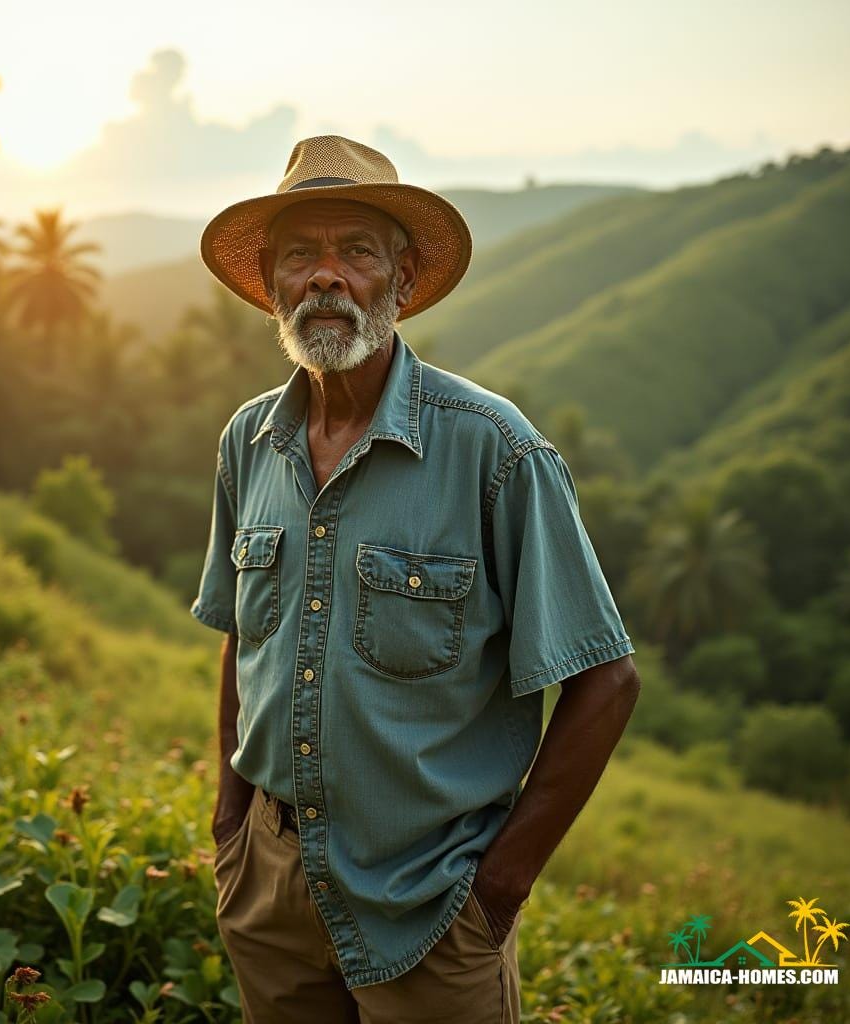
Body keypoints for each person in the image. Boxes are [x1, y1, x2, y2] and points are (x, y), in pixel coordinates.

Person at [191, 134, 641, 1024]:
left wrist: (498, 893)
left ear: (400, 279)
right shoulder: (250, 442)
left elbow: (607, 680)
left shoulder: (494, 450)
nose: (326, 277)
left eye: (355, 252)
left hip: (434, 902)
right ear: (271, 287)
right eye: (299, 257)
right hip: (271, 894)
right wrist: (231, 832)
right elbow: (246, 638)